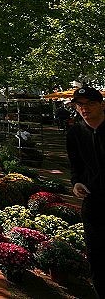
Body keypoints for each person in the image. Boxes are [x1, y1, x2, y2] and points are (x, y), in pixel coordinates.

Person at [67, 86, 105, 298]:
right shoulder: (75, 132)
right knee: (97, 255)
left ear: (101, 104)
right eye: (79, 105)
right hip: (93, 202)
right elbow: (76, 166)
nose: (84, 108)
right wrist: (76, 183)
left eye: (89, 104)